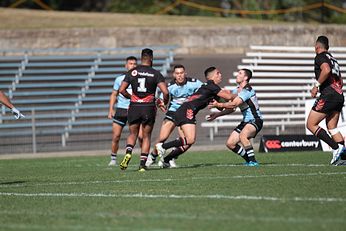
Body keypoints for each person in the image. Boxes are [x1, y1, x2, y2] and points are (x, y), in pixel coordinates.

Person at [155, 66, 236, 168]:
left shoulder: (209, 88)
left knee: (189, 140)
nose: (220, 75)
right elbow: (228, 97)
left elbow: (220, 106)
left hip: (184, 109)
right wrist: (240, 95)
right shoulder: (212, 86)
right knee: (190, 139)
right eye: (218, 73)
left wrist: (220, 104)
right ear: (212, 77)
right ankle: (162, 147)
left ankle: (166, 159)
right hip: (187, 110)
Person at [118, 48, 169, 171]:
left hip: (134, 106)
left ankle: (128, 152)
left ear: (141, 58)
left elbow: (121, 90)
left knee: (132, 134)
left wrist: (132, 97)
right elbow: (165, 92)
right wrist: (164, 102)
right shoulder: (156, 73)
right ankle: (142, 165)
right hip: (148, 107)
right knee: (146, 136)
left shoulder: (132, 72)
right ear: (151, 58)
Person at [145, 64, 203, 168]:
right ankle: (152, 156)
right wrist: (161, 103)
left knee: (187, 141)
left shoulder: (194, 83)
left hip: (186, 113)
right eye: (177, 73)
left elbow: (205, 90)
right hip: (173, 112)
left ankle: (169, 158)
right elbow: (162, 100)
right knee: (162, 137)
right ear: (174, 75)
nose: (180, 76)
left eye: (181, 73)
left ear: (185, 73)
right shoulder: (170, 86)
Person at [207, 69, 263, 166]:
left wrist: (219, 104)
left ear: (245, 78)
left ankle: (253, 162)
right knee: (230, 143)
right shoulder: (236, 91)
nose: (237, 75)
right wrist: (217, 114)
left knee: (243, 136)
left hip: (255, 120)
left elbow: (233, 104)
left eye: (240, 73)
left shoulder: (247, 90)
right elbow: (231, 109)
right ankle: (249, 159)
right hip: (246, 121)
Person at [306, 35, 345, 165]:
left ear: (317, 47)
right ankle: (343, 158)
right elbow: (341, 81)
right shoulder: (333, 59)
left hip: (329, 95)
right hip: (339, 94)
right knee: (332, 127)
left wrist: (316, 86)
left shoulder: (320, 56)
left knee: (311, 124)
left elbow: (326, 70)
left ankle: (336, 148)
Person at [107, 56, 141, 166]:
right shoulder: (119, 79)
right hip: (121, 110)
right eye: (130, 63)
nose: (133, 65)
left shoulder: (140, 78)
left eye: (135, 64)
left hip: (135, 109)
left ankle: (144, 157)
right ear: (126, 65)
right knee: (116, 136)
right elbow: (114, 94)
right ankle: (113, 159)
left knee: (140, 136)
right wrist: (111, 109)